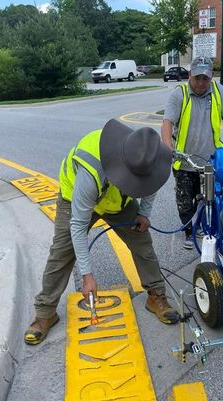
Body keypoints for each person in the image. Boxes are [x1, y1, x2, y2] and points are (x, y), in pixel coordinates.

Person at [24, 119, 179, 345]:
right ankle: (45, 312)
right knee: (62, 252)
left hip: (117, 201)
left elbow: (151, 184)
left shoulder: (146, 153)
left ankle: (156, 297)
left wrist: (143, 213)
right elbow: (78, 226)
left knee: (142, 243)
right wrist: (88, 276)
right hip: (76, 198)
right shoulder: (91, 170)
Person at [161, 56, 223, 250]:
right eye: (198, 78)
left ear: (210, 77)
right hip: (185, 159)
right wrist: (167, 146)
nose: (201, 83)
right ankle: (189, 231)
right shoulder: (180, 94)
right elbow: (167, 122)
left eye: (205, 78)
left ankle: (207, 226)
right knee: (186, 199)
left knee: (211, 197)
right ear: (190, 75)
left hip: (212, 160)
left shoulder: (219, 92)